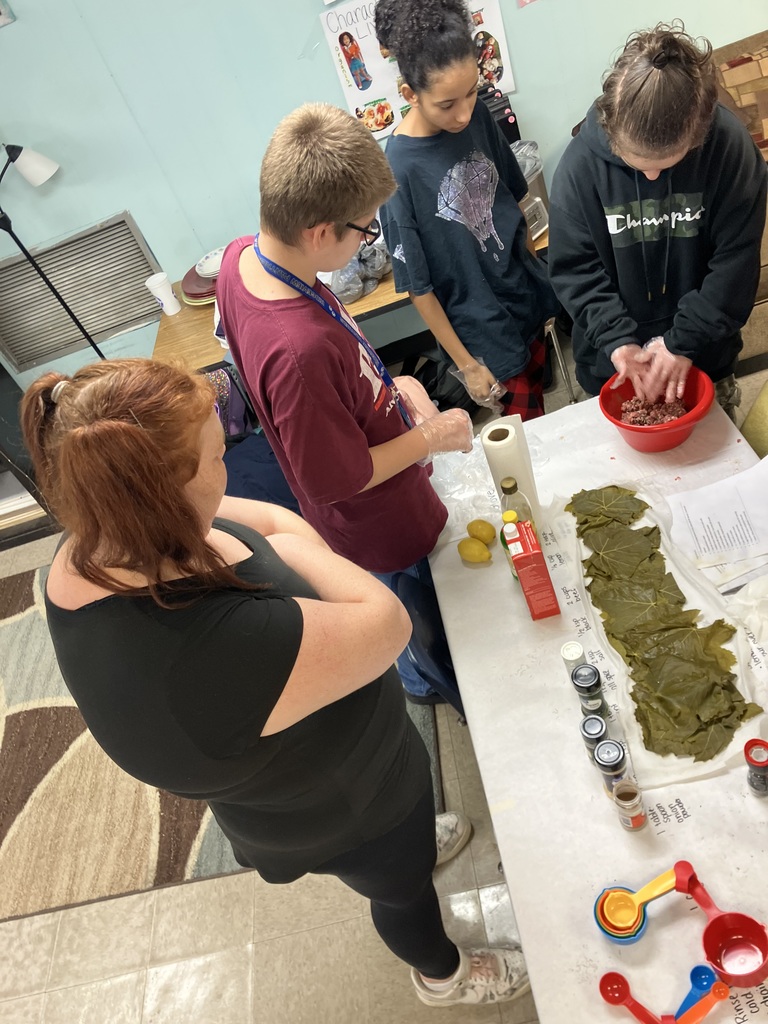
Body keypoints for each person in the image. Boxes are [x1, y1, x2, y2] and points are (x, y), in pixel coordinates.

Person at [21, 358, 529, 1008]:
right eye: (216, 456)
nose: (228, 465)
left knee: (398, 845)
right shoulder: (218, 647)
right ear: (163, 494)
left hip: (272, 789)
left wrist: (281, 547)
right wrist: (288, 552)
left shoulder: (94, 540)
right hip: (347, 804)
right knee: (400, 887)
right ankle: (444, 973)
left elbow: (256, 519)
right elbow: (385, 622)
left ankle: (411, 851)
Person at [216, 103, 475, 706]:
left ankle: (417, 668)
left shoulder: (240, 258)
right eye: (366, 228)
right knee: (419, 611)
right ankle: (431, 678)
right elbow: (340, 477)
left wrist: (394, 391)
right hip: (378, 522)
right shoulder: (298, 350)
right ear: (317, 233)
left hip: (365, 449)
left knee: (415, 603)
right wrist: (429, 438)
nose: (370, 237)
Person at [548, 22, 767, 417]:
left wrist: (683, 341)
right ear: (612, 130)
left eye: (667, 166)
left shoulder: (730, 150)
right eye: (637, 164)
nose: (651, 179)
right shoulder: (578, 166)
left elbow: (736, 263)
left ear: (697, 136)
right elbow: (575, 270)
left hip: (704, 361)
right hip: (611, 370)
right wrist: (617, 340)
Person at [374, 0, 559, 419]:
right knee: (526, 432)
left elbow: (513, 196)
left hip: (521, 292)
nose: (463, 113)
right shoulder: (399, 169)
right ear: (409, 94)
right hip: (478, 327)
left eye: (472, 92)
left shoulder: (476, 117)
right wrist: (468, 365)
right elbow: (418, 288)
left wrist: (536, 279)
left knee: (543, 408)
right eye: (446, 104)